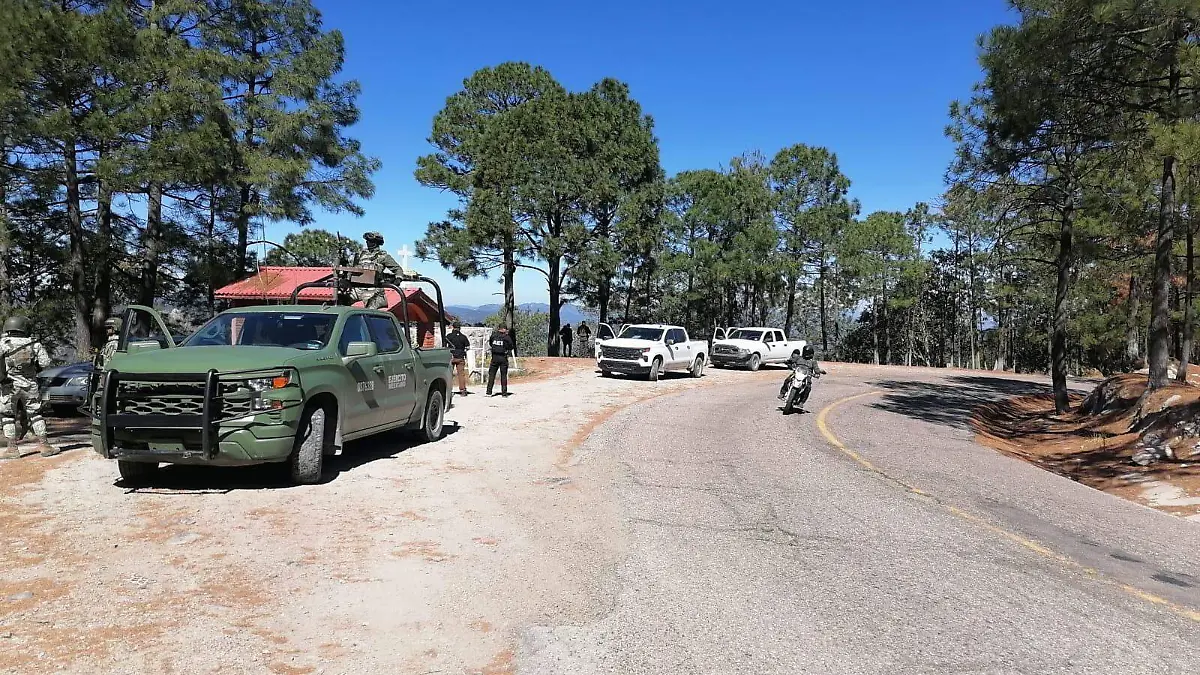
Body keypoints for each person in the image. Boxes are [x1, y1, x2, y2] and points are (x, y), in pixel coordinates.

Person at [0, 317, 56, 459]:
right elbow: (45, 363)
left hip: (9, 385)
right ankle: (45, 446)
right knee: (36, 414)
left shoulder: (3, 343)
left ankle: (12, 449)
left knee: (7, 416)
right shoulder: (34, 343)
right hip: (30, 385)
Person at [353, 231, 405, 310]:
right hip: (357, 287)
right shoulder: (360, 254)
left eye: (370, 241)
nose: (367, 242)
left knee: (370, 312)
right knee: (339, 299)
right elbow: (353, 268)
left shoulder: (383, 256)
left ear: (376, 242)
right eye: (367, 240)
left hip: (374, 289)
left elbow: (398, 269)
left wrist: (398, 278)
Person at [486, 325, 515, 397]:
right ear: (503, 329)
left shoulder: (493, 336)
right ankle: (504, 393)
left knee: (492, 374)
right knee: (503, 375)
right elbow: (511, 346)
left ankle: (489, 392)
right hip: (503, 357)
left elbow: (490, 343)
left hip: (494, 357)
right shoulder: (506, 337)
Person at [445, 322, 472, 396]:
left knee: (449, 374)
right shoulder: (463, 337)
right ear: (460, 328)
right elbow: (468, 347)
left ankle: (448, 390)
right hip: (460, 357)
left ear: (453, 327)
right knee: (461, 374)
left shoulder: (449, 336)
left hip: (451, 357)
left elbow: (445, 346)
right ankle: (463, 390)